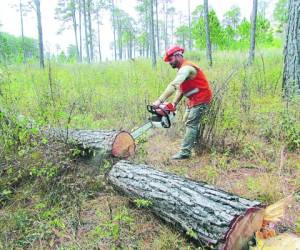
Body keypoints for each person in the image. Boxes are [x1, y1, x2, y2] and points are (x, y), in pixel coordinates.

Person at [153, 45, 212, 160]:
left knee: (191, 123)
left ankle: (185, 153)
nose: (169, 62)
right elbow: (181, 88)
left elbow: (174, 85)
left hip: (201, 98)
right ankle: (195, 144)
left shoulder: (186, 68)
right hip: (193, 99)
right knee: (187, 121)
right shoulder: (182, 70)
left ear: (178, 55)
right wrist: (174, 104)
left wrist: (159, 101)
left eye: (170, 59)